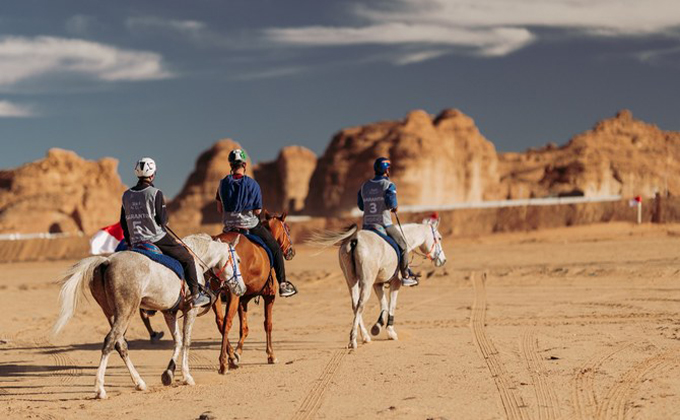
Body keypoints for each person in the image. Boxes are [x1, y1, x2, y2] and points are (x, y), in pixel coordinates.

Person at [120, 157, 211, 307]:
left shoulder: (126, 195)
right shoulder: (155, 193)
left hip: (135, 241)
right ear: (153, 174)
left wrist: (130, 240)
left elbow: (123, 222)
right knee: (187, 258)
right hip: (155, 238)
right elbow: (163, 221)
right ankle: (196, 294)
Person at [216, 149, 298, 298]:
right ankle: (283, 284)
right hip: (250, 227)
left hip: (228, 228)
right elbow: (258, 211)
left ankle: (214, 289)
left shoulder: (222, 184)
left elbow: (220, 208)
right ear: (245, 165)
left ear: (231, 165)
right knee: (275, 248)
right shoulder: (252, 184)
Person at [357, 157, 420, 287]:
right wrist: (395, 207)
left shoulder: (364, 186)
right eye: (388, 168)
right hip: (383, 224)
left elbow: (361, 206)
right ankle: (406, 276)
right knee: (403, 245)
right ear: (386, 170)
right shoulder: (388, 185)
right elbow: (392, 204)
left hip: (366, 225)